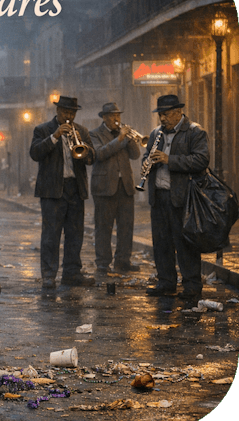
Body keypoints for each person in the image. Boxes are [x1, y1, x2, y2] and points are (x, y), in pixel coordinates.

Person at [143, 95, 209, 304]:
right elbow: (147, 156)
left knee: (185, 243)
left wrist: (169, 160)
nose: (163, 118)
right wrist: (147, 163)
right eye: (161, 114)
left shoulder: (194, 132)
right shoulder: (156, 134)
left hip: (183, 197)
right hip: (159, 195)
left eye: (167, 114)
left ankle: (191, 286)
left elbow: (201, 160)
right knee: (161, 242)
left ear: (179, 112)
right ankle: (166, 282)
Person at [29, 96, 96, 289]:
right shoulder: (42, 130)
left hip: (75, 189)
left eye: (72, 113)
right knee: (51, 235)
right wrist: (55, 136)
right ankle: (49, 275)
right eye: (66, 112)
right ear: (57, 111)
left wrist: (83, 147)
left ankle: (72, 273)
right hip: (52, 191)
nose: (69, 116)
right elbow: (35, 153)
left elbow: (92, 158)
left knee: (75, 235)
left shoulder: (81, 131)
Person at [89, 103, 141, 274]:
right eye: (112, 116)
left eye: (117, 115)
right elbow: (100, 154)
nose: (116, 119)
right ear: (104, 117)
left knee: (126, 226)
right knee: (104, 227)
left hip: (125, 186)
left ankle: (123, 261)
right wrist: (119, 139)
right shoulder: (94, 134)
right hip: (104, 187)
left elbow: (135, 155)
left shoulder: (123, 133)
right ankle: (103, 263)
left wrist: (130, 138)